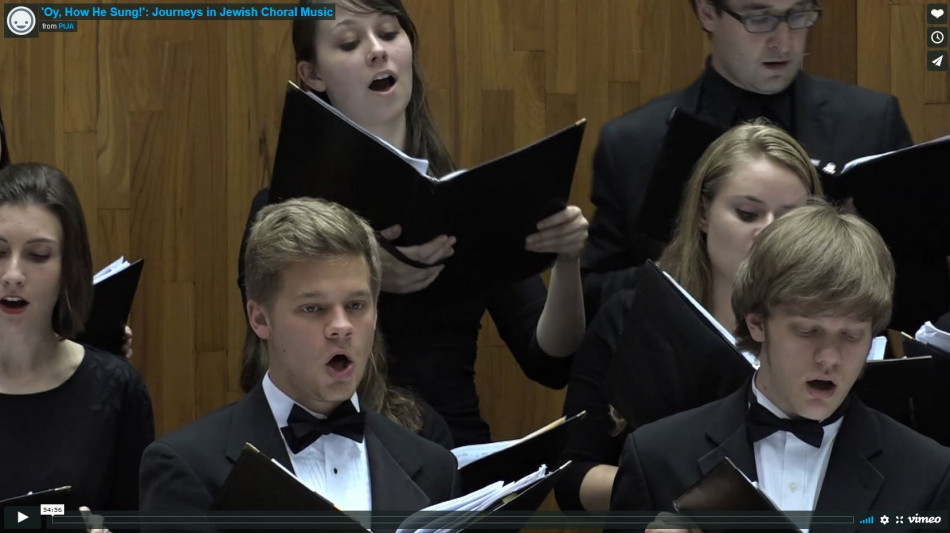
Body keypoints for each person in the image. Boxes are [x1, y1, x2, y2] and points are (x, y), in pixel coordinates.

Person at [237, 0, 588, 446]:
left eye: (389, 33)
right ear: (312, 75)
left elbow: (550, 362)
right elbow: (265, 351)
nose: (377, 50)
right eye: (349, 42)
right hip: (326, 449)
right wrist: (368, 274)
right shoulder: (280, 211)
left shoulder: (470, 199)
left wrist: (568, 261)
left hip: (452, 453)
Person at [581, 0, 946, 332]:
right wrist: (687, 268)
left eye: (798, 15)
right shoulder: (636, 141)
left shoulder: (870, 122)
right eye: (759, 18)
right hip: (685, 368)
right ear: (707, 12)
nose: (784, 42)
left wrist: (854, 251)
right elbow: (592, 298)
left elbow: (923, 294)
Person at [609, 202, 950, 533]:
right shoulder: (656, 457)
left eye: (851, 335)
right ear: (757, 323)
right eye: (808, 331)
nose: (829, 358)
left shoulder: (928, 473)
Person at [140, 198, 460, 524]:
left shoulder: (435, 469)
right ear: (260, 319)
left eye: (356, 305)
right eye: (313, 308)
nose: (341, 327)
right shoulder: (189, 467)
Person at [556, 122, 822, 511]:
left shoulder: (836, 330)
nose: (768, 233)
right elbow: (571, 477)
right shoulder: (630, 316)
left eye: (789, 218)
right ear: (702, 214)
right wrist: (681, 491)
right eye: (747, 213)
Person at [0, 163, 154, 524]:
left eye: (38, 255)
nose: (13, 274)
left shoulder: (117, 390)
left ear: (69, 267)